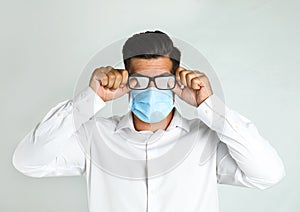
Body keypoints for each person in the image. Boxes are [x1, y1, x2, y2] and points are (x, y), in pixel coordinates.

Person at [12, 30, 285, 212]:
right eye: (141, 80)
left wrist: (209, 106)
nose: (152, 89)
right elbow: (28, 161)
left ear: (176, 81)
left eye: (163, 80)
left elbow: (268, 174)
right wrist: (91, 100)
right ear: (128, 82)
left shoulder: (205, 140)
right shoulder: (95, 136)